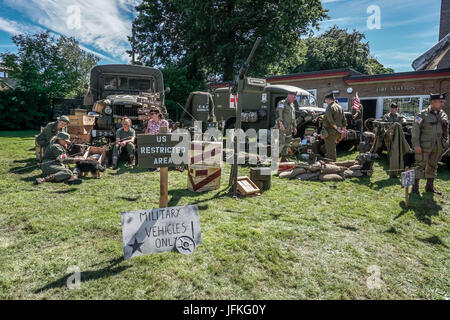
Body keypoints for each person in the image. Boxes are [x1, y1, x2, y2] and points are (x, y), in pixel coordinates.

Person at [411, 93, 448, 195]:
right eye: (441, 102)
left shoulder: (443, 114)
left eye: (443, 102)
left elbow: (445, 128)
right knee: (420, 165)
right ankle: (415, 187)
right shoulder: (421, 115)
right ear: (433, 102)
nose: (443, 104)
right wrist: (416, 145)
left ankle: (429, 187)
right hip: (424, 146)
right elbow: (415, 130)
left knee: (433, 165)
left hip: (438, 146)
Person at [321, 92, 347, 161]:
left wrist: (337, 128)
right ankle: (332, 162)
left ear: (329, 99)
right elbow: (344, 120)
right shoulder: (340, 107)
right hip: (337, 133)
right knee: (333, 148)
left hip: (330, 132)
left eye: (326, 100)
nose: (325, 101)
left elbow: (331, 121)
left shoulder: (329, 107)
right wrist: (343, 131)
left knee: (330, 150)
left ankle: (331, 165)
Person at [145, 107, 170, 172]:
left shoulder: (164, 122)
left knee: (157, 147)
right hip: (151, 140)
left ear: (158, 114)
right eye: (151, 114)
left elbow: (166, 134)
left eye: (153, 114)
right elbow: (147, 131)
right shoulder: (150, 121)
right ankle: (151, 165)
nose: (151, 115)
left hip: (161, 141)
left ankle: (157, 166)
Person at [275, 93, 297, 163]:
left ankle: (283, 159)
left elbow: (293, 117)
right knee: (281, 143)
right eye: (293, 97)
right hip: (282, 127)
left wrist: (294, 126)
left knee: (287, 143)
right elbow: (279, 113)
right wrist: (280, 123)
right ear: (289, 96)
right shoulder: (282, 103)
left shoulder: (292, 105)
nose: (295, 99)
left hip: (289, 128)